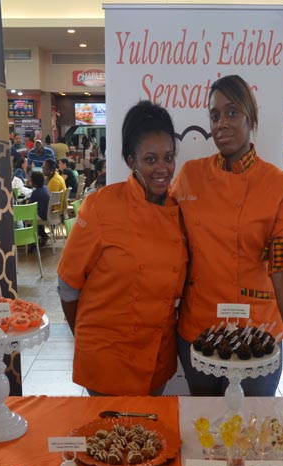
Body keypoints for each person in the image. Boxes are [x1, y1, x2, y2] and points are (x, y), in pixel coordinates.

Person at [172, 74, 283, 396]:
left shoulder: (279, 185)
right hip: (198, 329)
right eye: (215, 114)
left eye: (232, 112)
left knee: (252, 434)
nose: (221, 123)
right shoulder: (191, 176)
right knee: (204, 427)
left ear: (251, 117)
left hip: (258, 333)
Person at [57, 100, 187, 396]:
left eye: (168, 158)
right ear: (131, 160)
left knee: (150, 438)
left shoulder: (179, 212)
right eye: (150, 159)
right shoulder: (101, 207)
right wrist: (85, 338)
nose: (162, 168)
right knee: (111, 440)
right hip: (107, 360)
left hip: (157, 357)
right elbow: (67, 284)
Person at [28, 169, 50, 246]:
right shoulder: (45, 188)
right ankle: (43, 235)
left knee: (28, 217)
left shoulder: (35, 193)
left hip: (43, 215)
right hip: (48, 213)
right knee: (35, 214)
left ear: (34, 182)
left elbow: (30, 207)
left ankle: (31, 240)